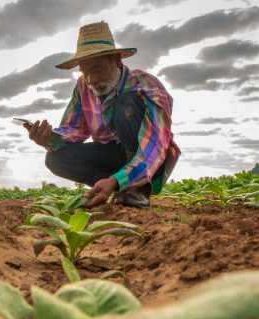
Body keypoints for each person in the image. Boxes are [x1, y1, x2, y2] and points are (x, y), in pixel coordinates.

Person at [24, 21, 180, 209]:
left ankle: (134, 189)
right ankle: (110, 187)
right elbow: (75, 130)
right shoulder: (83, 85)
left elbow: (154, 144)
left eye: (97, 70)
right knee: (55, 158)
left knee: (126, 103)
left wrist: (118, 179)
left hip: (148, 158)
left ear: (116, 60)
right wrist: (49, 138)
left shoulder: (146, 85)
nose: (91, 79)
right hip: (112, 154)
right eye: (85, 72)